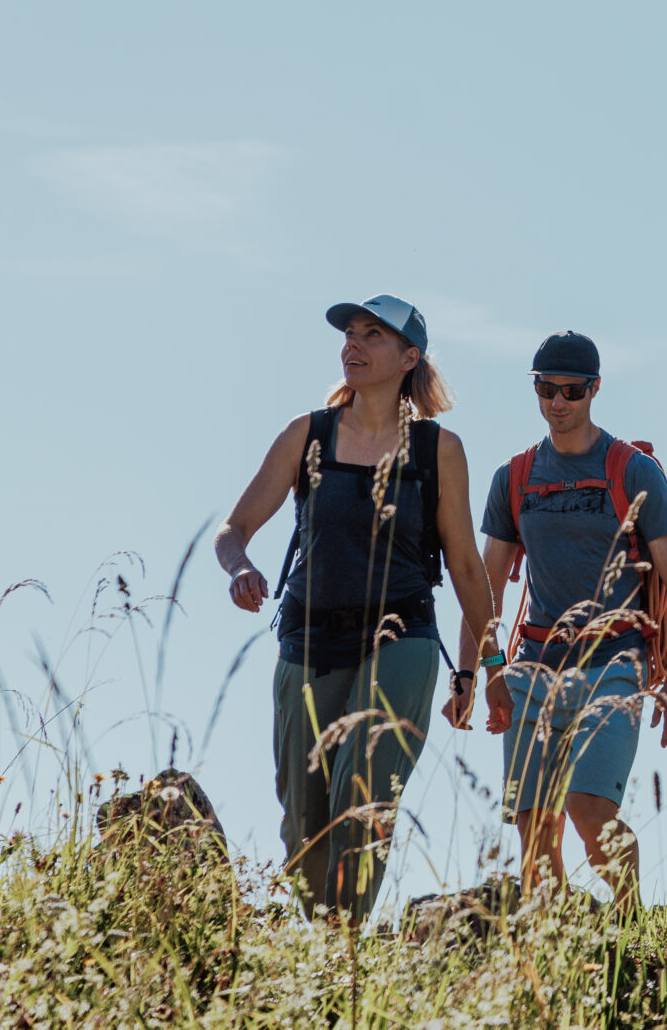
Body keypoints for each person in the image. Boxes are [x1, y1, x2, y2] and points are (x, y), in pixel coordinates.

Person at [214, 295, 499, 921]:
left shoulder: (436, 450)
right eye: (349, 333)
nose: (354, 344)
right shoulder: (307, 434)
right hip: (308, 645)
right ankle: (322, 955)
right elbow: (232, 529)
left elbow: (467, 567)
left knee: (363, 799)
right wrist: (241, 568)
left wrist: (491, 665)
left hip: (403, 642)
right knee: (305, 825)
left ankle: (345, 951)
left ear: (409, 357)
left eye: (373, 335)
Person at [481, 331, 667, 909]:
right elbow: (484, 592)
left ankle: (632, 927)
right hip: (533, 665)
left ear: (594, 388)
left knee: (590, 813)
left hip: (614, 663)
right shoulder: (516, 476)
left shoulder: (634, 470)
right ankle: (552, 955)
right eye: (546, 389)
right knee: (533, 826)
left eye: (571, 391)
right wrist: (488, 670)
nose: (558, 402)